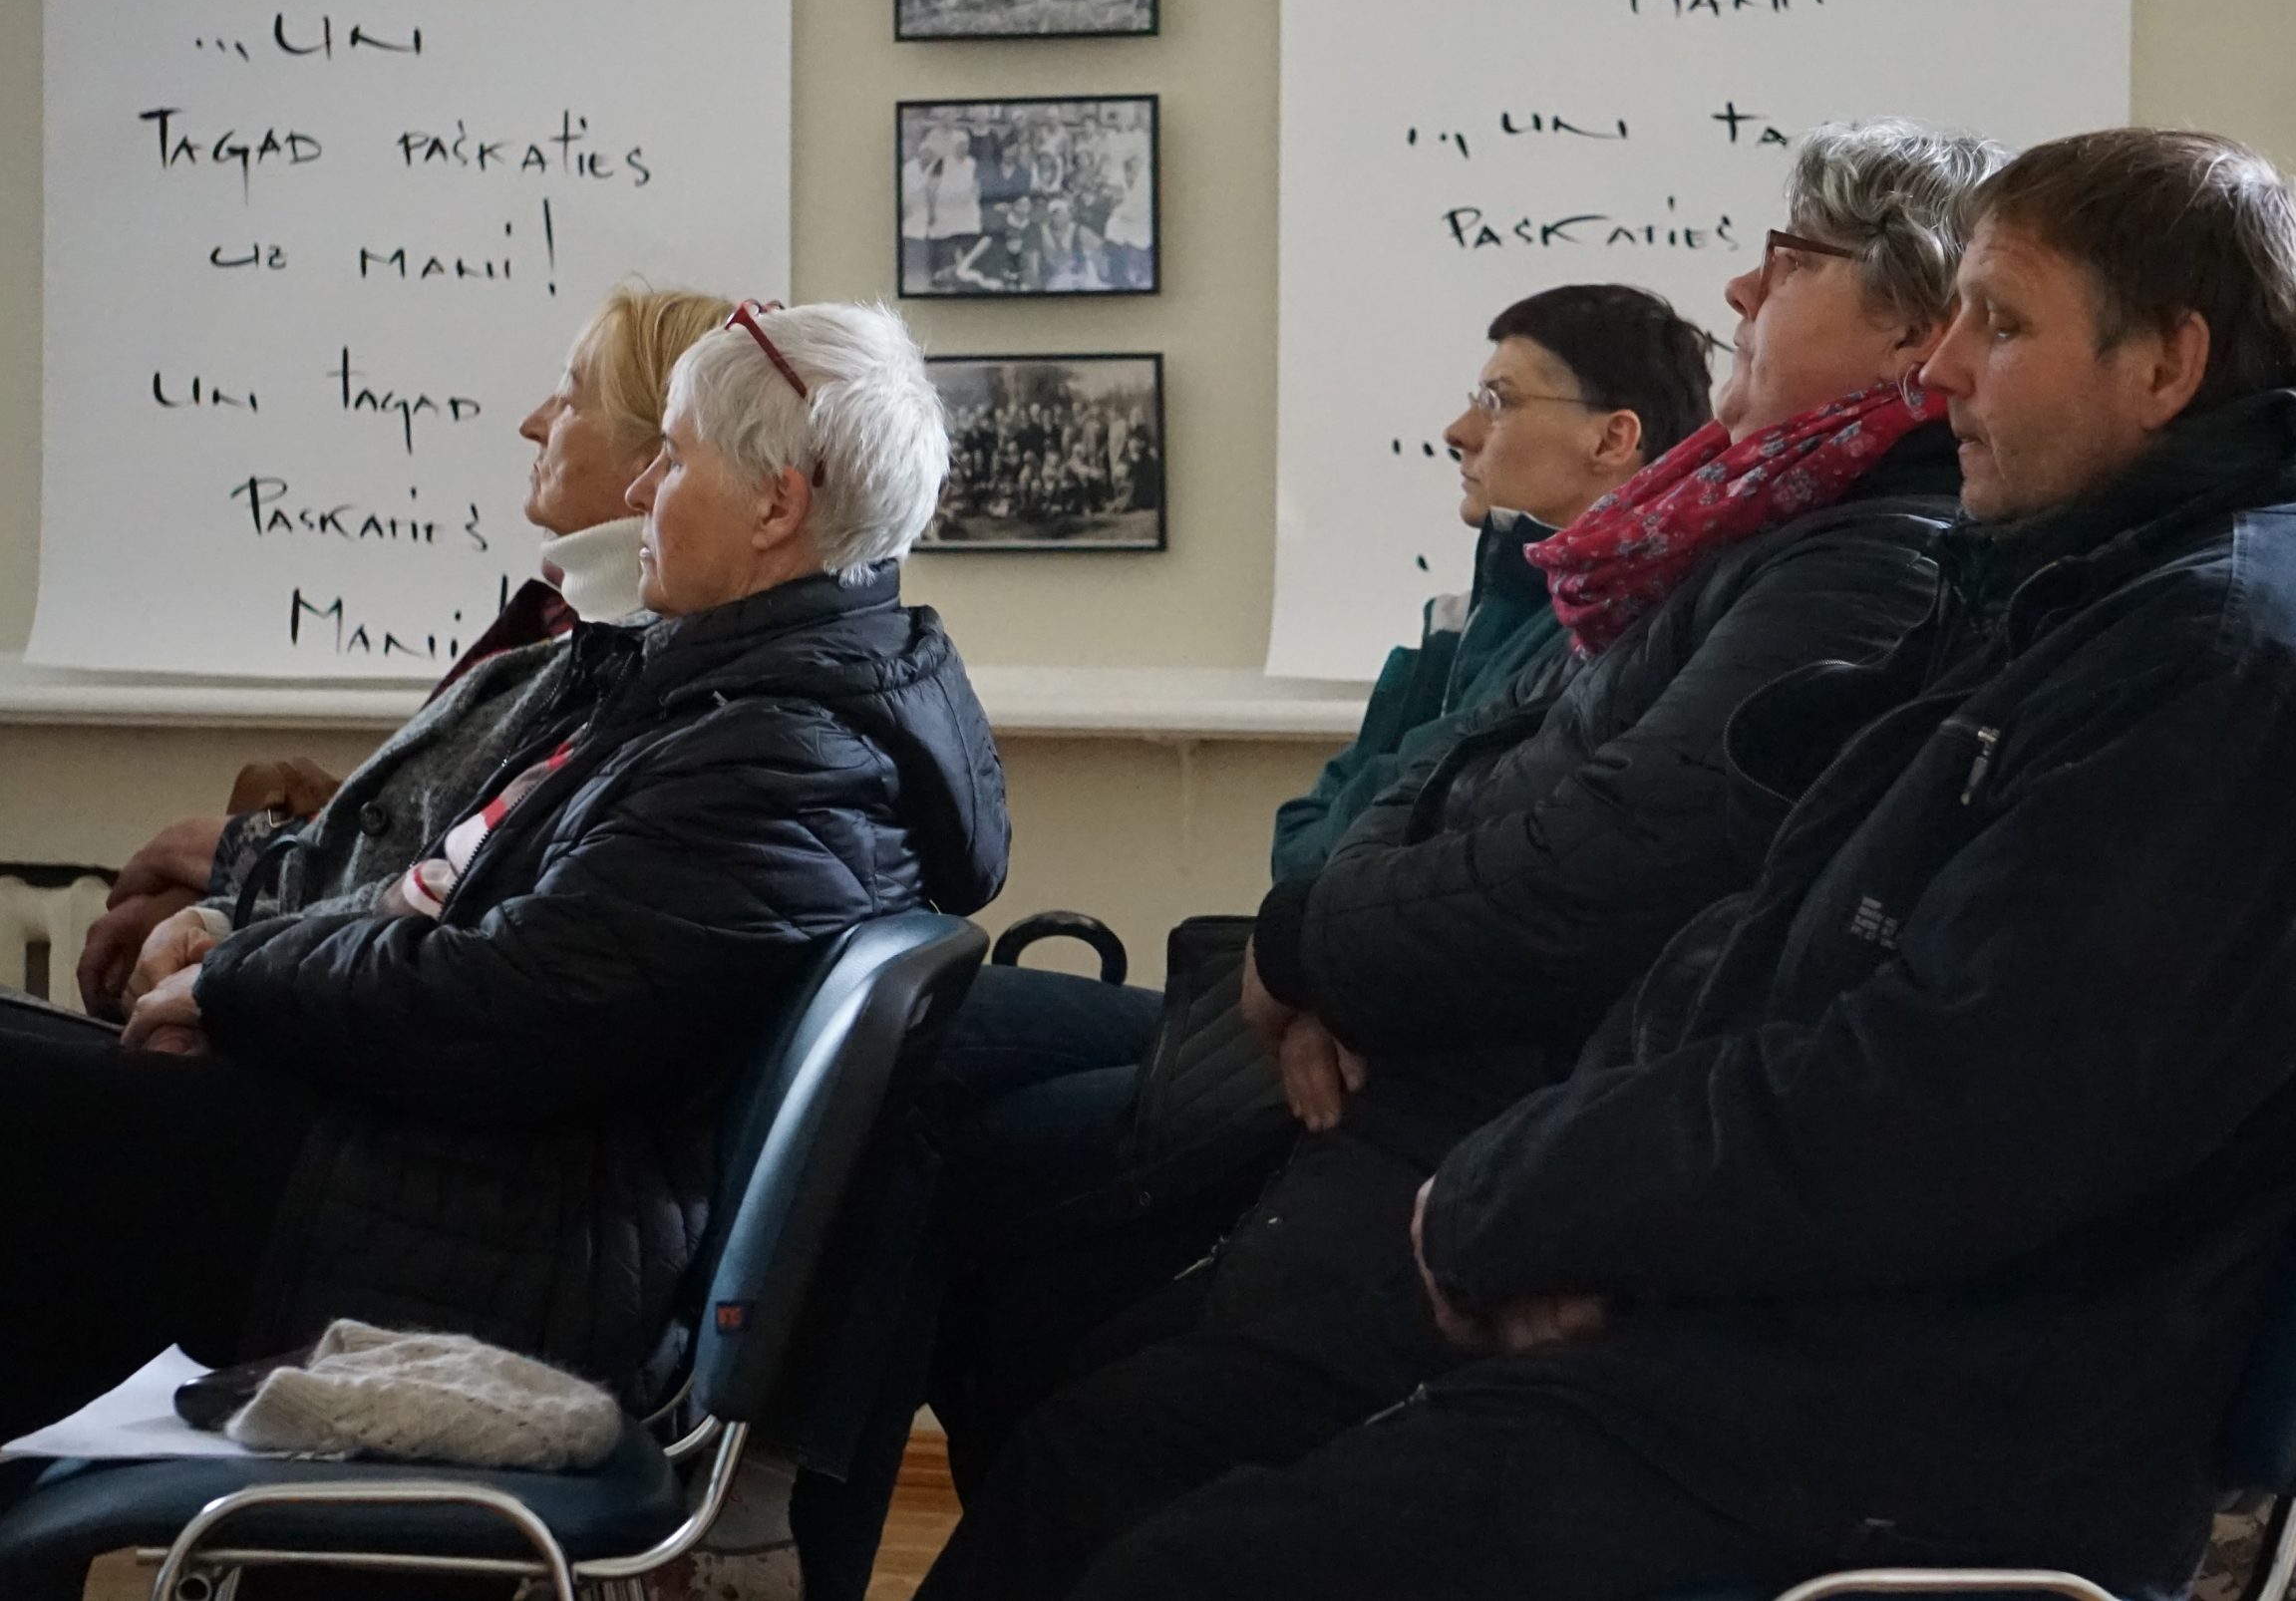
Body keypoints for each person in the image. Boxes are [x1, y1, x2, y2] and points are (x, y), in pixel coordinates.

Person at [972, 128, 2296, 1601]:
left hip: (1922, 1421)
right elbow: (1758, 960)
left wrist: (1528, 1196)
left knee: (1176, 1552)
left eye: (2002, 323)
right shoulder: (2112, 604)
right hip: (1831, 1345)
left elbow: (1936, 1113)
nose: (1944, 369)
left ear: (2166, 361)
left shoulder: (2223, 665)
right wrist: (1565, 1190)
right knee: (1119, 1450)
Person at [917, 120, 2008, 1600]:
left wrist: (1312, 946)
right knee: (1054, 1352)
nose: (1743, 290)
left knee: (1097, 1451)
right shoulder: (1738, 536)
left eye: (1793, 260)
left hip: (1493, 1152)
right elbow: (1439, 771)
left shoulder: (1863, 564)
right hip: (1435, 1100)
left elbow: (1594, 872)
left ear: (1914, 322)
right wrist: (1315, 939)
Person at [0, 299, 1008, 1531]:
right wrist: (247, 957)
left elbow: (503, 1004)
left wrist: (237, 980)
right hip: (463, 1171)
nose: (639, 487)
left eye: (672, 457)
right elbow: (464, 924)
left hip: (504, 1244)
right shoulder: (731, 695)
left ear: (775, 507)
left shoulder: (783, 751)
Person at [788, 281, 1714, 1600]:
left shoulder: (1597, 623)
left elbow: (1411, 852)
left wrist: (1334, 939)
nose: (1460, 427)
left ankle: (792, 1512)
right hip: (1301, 984)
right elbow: (1323, 828)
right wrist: (1331, 928)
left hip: (1369, 1049)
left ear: (1615, 438)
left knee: (954, 1122)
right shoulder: (1487, 601)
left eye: (1499, 397)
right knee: (937, 1072)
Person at [63, 284, 735, 1024]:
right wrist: (218, 909)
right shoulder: (564, 647)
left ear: (657, 454)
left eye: (570, 399)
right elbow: (401, 861)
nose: (532, 423)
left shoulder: (624, 687)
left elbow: (425, 889)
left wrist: (224, 922)